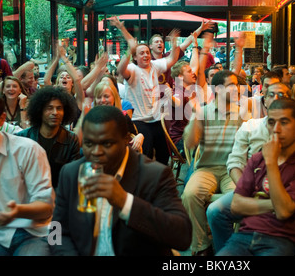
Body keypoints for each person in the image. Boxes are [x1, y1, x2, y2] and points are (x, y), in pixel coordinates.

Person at [50, 105, 192, 256]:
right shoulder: (71, 173)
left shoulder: (154, 175)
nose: (96, 152)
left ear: (126, 140)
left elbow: (182, 237)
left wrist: (125, 202)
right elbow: (56, 229)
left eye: (107, 144)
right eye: (89, 144)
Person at [216, 98, 295, 256]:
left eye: (284, 122)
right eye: (272, 122)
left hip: (281, 240)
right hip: (244, 237)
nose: (277, 129)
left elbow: (283, 212)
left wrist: (271, 162)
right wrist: (275, 204)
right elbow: (236, 205)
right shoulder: (257, 159)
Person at [182, 69, 248, 256]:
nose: (236, 89)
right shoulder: (203, 112)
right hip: (207, 169)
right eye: (231, 86)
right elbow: (189, 143)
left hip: (232, 170)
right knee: (189, 194)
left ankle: (231, 246)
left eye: (237, 85)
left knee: (241, 198)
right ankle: (201, 246)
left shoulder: (242, 113)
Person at [0, 87, 54, 256]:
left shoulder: (27, 150)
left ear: (2, 120)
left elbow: (47, 207)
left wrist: (18, 210)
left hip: (33, 232)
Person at [115, 18, 180, 165]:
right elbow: (120, 70)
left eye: (147, 52)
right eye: (141, 53)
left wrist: (174, 43)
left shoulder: (154, 66)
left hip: (157, 120)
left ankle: (160, 183)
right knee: (146, 155)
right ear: (135, 58)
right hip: (139, 120)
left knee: (164, 155)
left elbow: (173, 59)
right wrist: (128, 51)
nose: (145, 55)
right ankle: (146, 184)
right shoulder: (133, 69)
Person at [16, 86, 81, 189]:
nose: (55, 112)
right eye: (49, 108)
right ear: (40, 111)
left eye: (59, 108)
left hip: (59, 196)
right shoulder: (22, 137)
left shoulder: (71, 140)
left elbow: (72, 177)